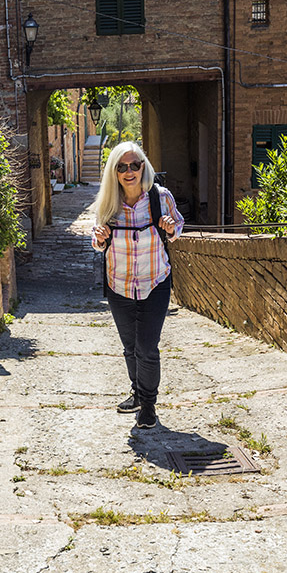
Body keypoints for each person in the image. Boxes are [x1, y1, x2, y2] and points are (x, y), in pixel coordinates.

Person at [91, 142, 184, 429]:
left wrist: (171, 228)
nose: (129, 171)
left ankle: (149, 406)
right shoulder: (108, 201)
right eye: (122, 167)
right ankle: (137, 393)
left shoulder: (160, 197)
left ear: (143, 166)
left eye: (134, 165)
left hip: (155, 282)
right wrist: (100, 236)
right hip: (119, 285)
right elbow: (97, 243)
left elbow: (178, 228)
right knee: (130, 347)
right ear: (114, 172)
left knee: (147, 347)